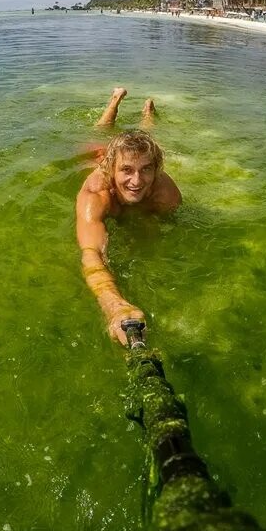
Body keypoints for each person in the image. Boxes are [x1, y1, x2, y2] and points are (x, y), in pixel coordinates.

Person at [76, 88, 182, 345]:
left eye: (146, 170)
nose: (136, 181)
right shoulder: (96, 193)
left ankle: (148, 112)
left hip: (136, 157)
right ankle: (115, 100)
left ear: (156, 170)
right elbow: (92, 253)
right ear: (111, 171)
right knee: (101, 131)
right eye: (126, 170)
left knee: (149, 138)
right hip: (101, 152)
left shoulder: (165, 194)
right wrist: (114, 306)